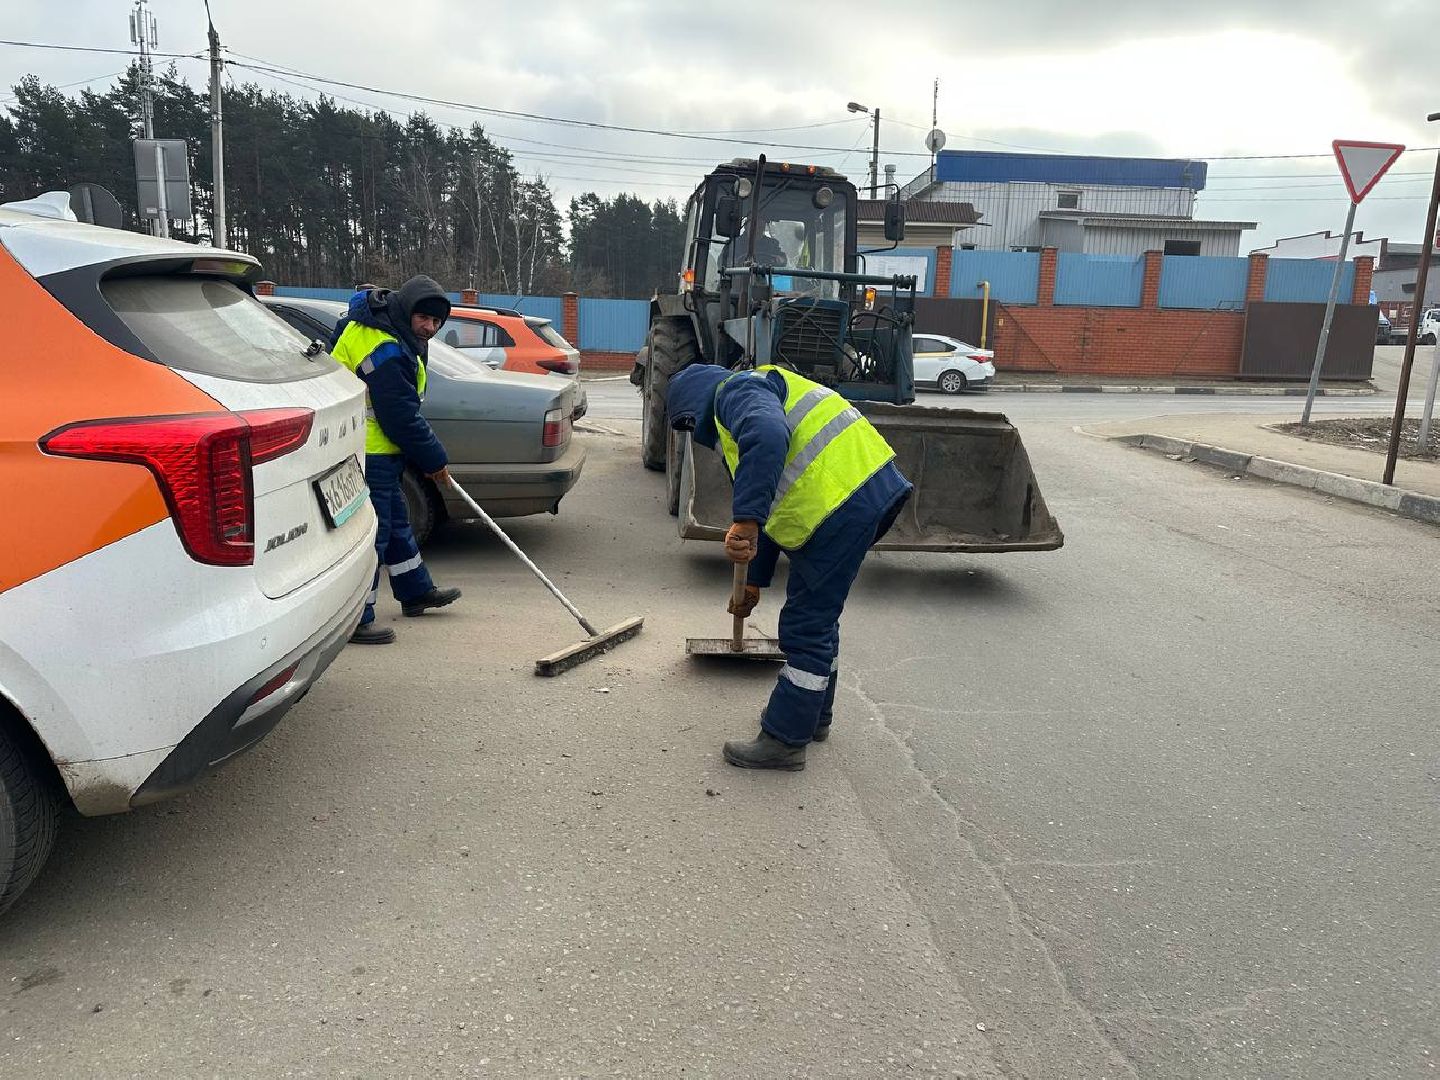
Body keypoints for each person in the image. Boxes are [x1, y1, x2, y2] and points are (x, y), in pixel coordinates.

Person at [667, 363, 912, 770]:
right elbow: (770, 507)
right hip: (862, 495)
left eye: (690, 426)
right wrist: (755, 582)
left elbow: (768, 437)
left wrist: (744, 518)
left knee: (806, 624)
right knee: (819, 616)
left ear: (694, 407)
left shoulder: (734, 392)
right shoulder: (750, 394)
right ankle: (813, 716)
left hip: (845, 501)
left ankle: (784, 739)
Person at [330, 275, 462, 644]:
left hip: (377, 449)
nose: (430, 328)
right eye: (425, 319)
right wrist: (434, 460)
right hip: (365, 450)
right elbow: (399, 415)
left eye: (437, 322)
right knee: (377, 532)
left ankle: (415, 591)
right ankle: (357, 616)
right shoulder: (385, 346)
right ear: (408, 310)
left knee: (397, 521)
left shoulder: (391, 329)